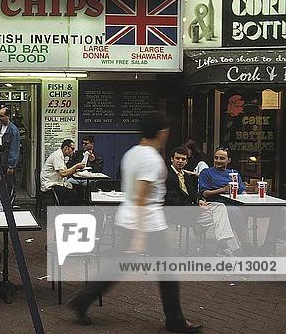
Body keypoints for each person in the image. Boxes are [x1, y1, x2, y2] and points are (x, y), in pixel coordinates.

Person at [68, 113, 203, 333]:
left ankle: (82, 300)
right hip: (147, 223)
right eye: (166, 131)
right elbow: (141, 196)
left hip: (128, 218)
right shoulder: (151, 159)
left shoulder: (132, 153)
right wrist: (140, 236)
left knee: (117, 267)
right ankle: (175, 320)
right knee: (167, 272)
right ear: (161, 133)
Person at [165, 147, 238, 256]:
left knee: (220, 207)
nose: (180, 161)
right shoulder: (167, 176)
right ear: (172, 159)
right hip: (179, 212)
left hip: (192, 209)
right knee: (220, 217)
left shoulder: (185, 175)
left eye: (183, 159)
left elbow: (194, 193)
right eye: (177, 158)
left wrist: (200, 200)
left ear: (186, 161)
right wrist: (197, 209)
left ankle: (223, 246)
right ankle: (231, 248)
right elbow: (173, 201)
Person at [40, 139, 85, 206]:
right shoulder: (57, 156)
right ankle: (64, 211)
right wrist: (75, 167)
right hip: (50, 185)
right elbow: (63, 174)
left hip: (55, 183)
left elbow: (64, 171)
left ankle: (71, 211)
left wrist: (75, 169)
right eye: (72, 148)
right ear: (66, 147)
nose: (73, 151)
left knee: (81, 189)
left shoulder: (60, 156)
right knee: (74, 194)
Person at [0, 106, 20, 195]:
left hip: (7, 157)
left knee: (9, 182)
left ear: (8, 116)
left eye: (2, 116)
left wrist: (11, 165)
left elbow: (14, 148)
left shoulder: (13, 130)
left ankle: (10, 201)